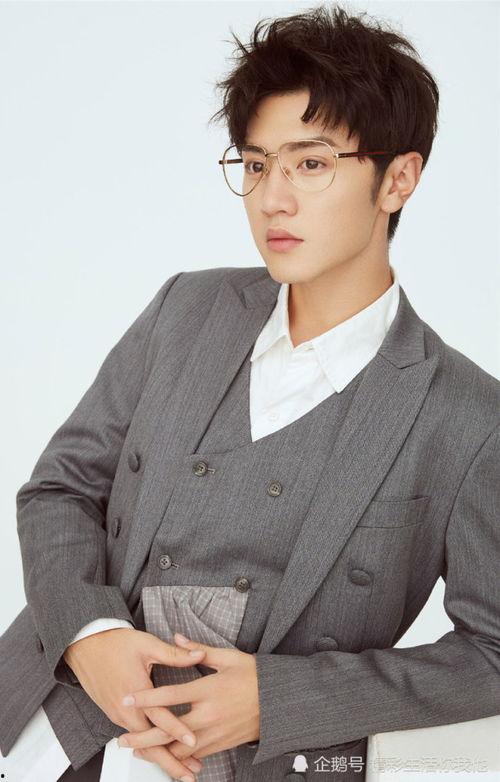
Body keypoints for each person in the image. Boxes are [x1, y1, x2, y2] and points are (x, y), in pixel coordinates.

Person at [1, 4, 499, 782]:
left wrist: (278, 699)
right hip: (38, 723)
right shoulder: (185, 309)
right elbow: (59, 488)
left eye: (311, 163)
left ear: (398, 179)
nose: (272, 199)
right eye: (257, 164)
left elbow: (492, 652)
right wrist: (91, 634)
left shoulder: (467, 417)